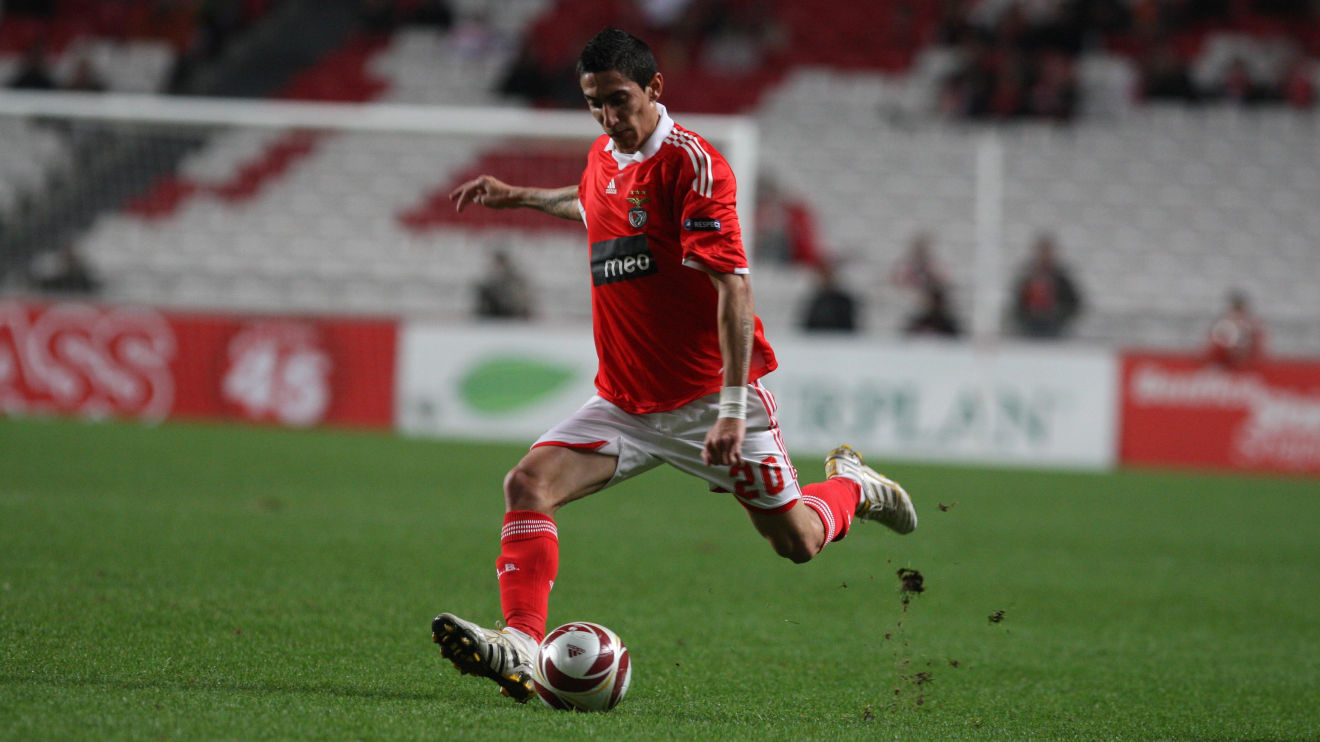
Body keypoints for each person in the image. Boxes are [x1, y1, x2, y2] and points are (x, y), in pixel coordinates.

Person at [434, 27, 918, 703]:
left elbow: (734, 290)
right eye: (594, 103)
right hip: (626, 403)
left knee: (798, 542)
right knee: (526, 483)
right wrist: (516, 195)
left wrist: (726, 408)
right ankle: (519, 640)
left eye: (619, 100)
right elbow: (590, 205)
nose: (608, 116)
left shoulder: (695, 165)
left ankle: (855, 488)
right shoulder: (606, 155)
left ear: (655, 88)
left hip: (711, 404)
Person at [1010, 232, 1082, 338]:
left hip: (1055, 329)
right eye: (1042, 252)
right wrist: (1027, 316)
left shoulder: (1062, 278)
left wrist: (1059, 315)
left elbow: (1074, 303)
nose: (1044, 256)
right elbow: (1018, 302)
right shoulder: (1027, 277)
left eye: (1047, 252)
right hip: (1029, 329)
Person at [1206, 290, 1266, 369]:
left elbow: (1257, 343)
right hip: (1223, 362)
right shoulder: (1224, 322)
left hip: (1248, 363)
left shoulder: (1251, 323)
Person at [474, 250, 533, 319]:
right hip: (496, 313)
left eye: (499, 264)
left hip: (510, 312)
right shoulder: (491, 282)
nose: (497, 267)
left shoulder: (515, 280)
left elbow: (519, 299)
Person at [800, 264, 858, 333]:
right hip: (818, 339)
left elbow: (848, 326)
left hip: (839, 338)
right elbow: (808, 325)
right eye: (822, 278)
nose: (824, 281)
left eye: (828, 277)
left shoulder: (844, 300)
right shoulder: (815, 300)